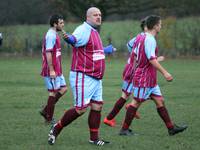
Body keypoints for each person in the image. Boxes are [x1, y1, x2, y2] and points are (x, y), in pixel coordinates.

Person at [48, 7, 109, 146]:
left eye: (100, 14)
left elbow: (92, 51)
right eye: (95, 15)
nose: (98, 17)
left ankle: (94, 139)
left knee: (97, 106)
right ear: (88, 17)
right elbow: (74, 39)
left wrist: (105, 50)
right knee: (81, 109)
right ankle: (56, 129)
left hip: (96, 77)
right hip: (83, 75)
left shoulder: (94, 31)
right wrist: (68, 38)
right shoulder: (83, 29)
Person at [119, 15, 187, 136]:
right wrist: (165, 72)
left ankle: (171, 128)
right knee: (135, 102)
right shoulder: (150, 39)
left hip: (149, 78)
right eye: (160, 24)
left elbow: (133, 51)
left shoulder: (140, 36)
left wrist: (138, 64)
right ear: (155, 26)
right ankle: (124, 130)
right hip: (144, 78)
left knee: (160, 101)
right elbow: (151, 59)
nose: (161, 26)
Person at [104, 17, 164, 127]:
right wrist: (137, 58)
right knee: (126, 96)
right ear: (147, 27)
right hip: (133, 70)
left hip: (133, 68)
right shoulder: (143, 37)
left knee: (144, 93)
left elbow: (129, 45)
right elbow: (134, 50)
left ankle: (132, 107)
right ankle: (109, 118)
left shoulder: (141, 37)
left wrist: (136, 55)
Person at [40, 14, 67, 124]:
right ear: (55, 24)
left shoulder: (55, 34)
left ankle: (46, 110)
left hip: (57, 69)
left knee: (63, 89)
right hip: (51, 69)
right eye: (61, 23)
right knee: (53, 93)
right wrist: (51, 69)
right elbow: (48, 52)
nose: (63, 25)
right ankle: (49, 118)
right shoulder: (51, 35)